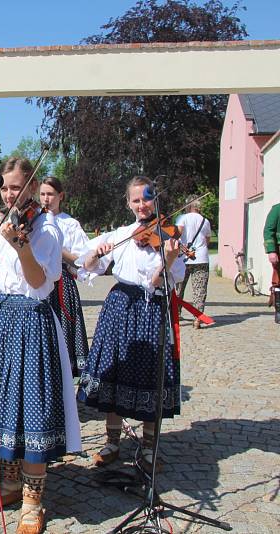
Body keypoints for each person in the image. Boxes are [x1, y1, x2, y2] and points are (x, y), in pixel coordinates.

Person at [0, 157, 80, 534]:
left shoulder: (48, 230)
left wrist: (21, 246)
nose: (10, 195)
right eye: (6, 188)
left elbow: (42, 282)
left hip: (34, 323)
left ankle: (32, 501)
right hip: (1, 320)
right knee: (2, 406)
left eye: (17, 188)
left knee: (32, 409)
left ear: (32, 187)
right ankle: (9, 483)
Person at [76, 176, 185, 472]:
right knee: (115, 370)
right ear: (128, 203)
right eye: (135, 200)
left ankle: (149, 448)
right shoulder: (121, 234)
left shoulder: (169, 236)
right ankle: (111, 442)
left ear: (155, 199)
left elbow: (160, 282)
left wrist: (170, 257)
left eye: (146, 199)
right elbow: (86, 268)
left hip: (150, 308)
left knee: (152, 374)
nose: (141, 205)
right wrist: (93, 256)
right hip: (120, 307)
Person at [39, 177, 90, 376]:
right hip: (38, 283)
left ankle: (65, 377)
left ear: (60, 196)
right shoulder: (35, 220)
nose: (46, 199)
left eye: (50, 194)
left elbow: (82, 260)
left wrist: (59, 250)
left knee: (63, 330)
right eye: (42, 194)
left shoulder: (70, 224)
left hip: (62, 284)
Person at [176, 197, 212, 329]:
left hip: (183, 258)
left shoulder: (182, 218)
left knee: (179, 287)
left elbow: (177, 235)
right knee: (199, 290)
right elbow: (207, 241)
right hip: (201, 257)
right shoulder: (205, 221)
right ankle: (197, 318)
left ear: (188, 206)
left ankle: (176, 313)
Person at [263, 202, 280, 322]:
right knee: (278, 281)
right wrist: (271, 251)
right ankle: (279, 311)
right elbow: (268, 231)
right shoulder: (277, 209)